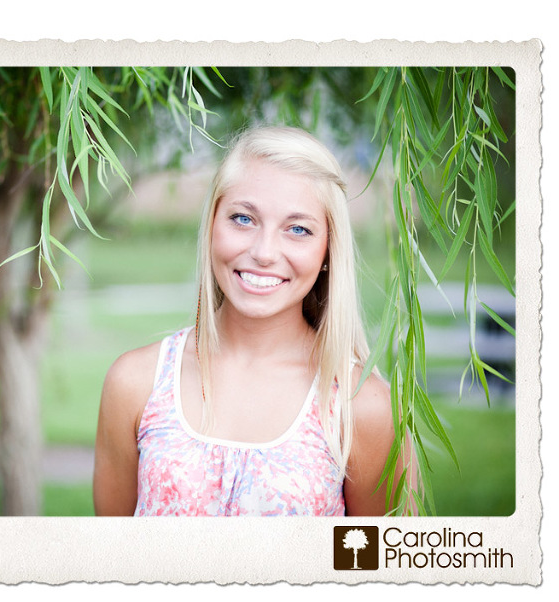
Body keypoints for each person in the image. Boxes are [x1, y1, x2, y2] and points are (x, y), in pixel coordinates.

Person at [92, 125, 416, 516]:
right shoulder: (136, 383)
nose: (264, 252)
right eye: (243, 219)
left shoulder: (359, 406)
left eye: (298, 229)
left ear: (328, 249)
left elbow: (375, 568)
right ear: (212, 225)